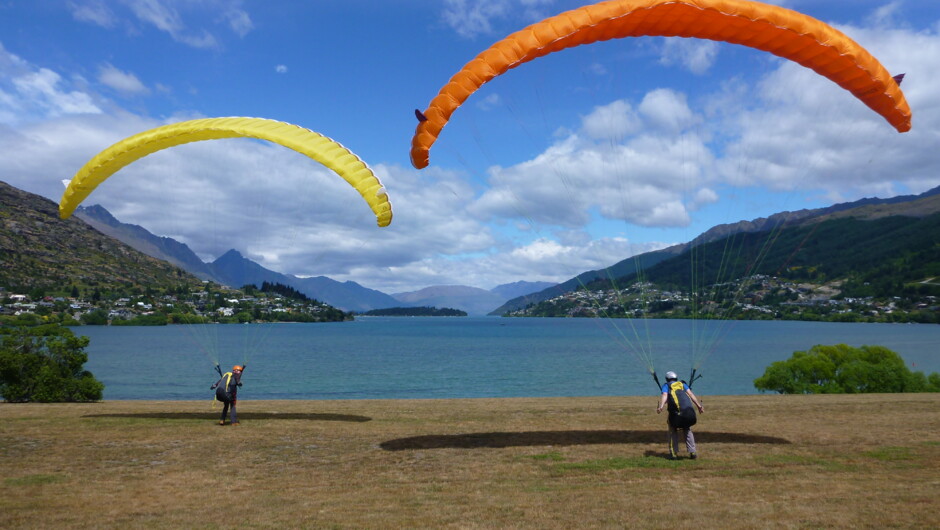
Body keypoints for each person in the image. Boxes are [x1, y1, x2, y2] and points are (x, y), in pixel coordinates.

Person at [656, 371, 704, 460]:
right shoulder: (682, 384)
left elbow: (665, 395)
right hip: (688, 413)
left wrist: (661, 407)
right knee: (687, 429)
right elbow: (691, 394)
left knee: (672, 430)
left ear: (667, 379)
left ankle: (673, 453)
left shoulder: (666, 386)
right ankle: (692, 452)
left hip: (676, 415)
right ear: (676, 378)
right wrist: (699, 406)